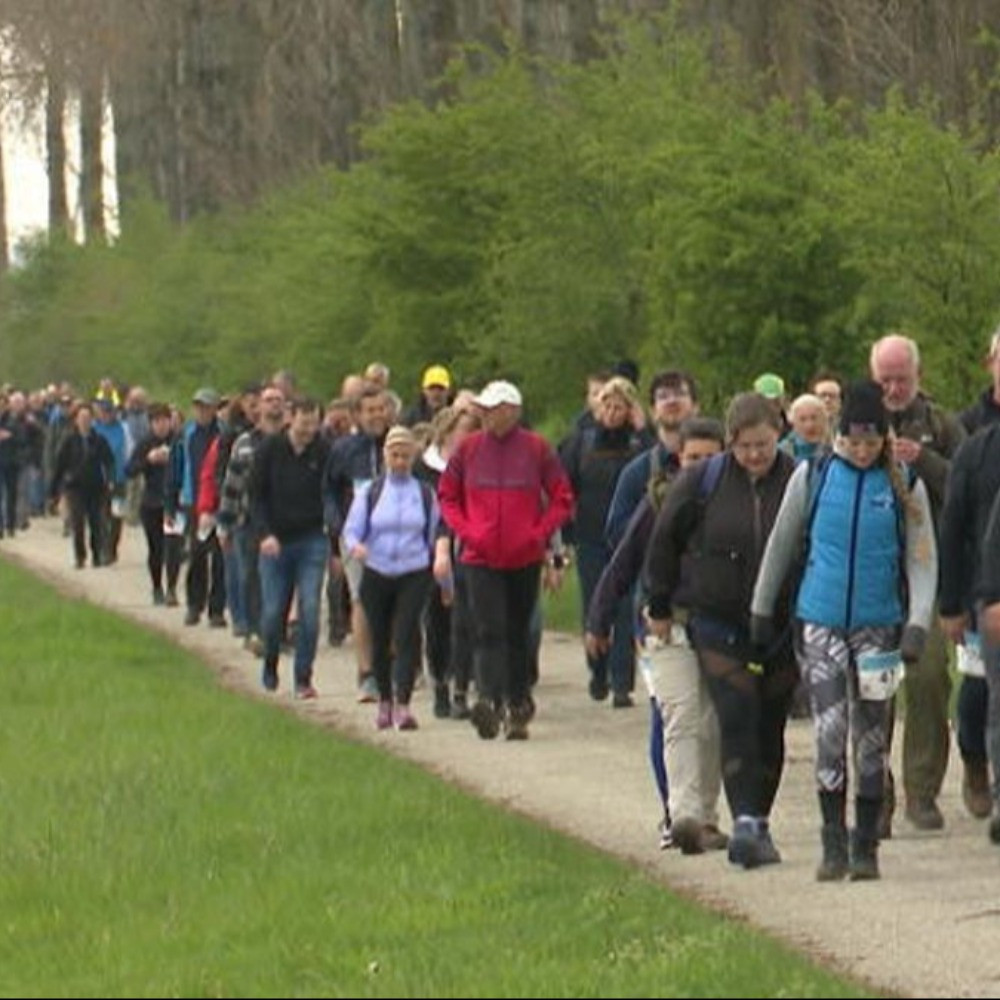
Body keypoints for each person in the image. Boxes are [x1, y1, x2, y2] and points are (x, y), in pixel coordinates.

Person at [752, 380, 937, 881]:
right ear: (839, 435)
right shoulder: (812, 476)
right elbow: (781, 544)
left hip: (879, 627)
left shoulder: (905, 483)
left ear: (884, 437)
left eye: (870, 442)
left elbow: (923, 559)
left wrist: (917, 624)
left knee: (872, 737)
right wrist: (761, 608)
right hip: (821, 620)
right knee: (831, 731)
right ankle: (832, 840)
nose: (860, 450)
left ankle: (866, 843)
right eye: (852, 441)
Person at [644, 392, 796, 869]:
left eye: (764, 445)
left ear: (779, 437)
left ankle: (761, 818)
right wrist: (659, 603)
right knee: (736, 716)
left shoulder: (799, 480)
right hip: (717, 618)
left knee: (769, 723)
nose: (754, 455)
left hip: (781, 621)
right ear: (731, 442)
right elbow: (663, 543)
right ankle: (745, 822)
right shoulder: (701, 482)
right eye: (745, 446)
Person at [586, 417, 726, 854]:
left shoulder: (738, 501)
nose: (700, 466)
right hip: (668, 623)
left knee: (714, 723)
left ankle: (706, 813)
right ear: (677, 459)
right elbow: (624, 561)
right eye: (692, 458)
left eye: (710, 458)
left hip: (722, 625)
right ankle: (682, 815)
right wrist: (598, 618)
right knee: (680, 714)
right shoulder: (658, 501)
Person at [438, 380, 574, 740]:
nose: (485, 415)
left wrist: (539, 533)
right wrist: (467, 531)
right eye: (483, 408)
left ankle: (518, 702)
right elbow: (447, 497)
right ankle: (488, 699)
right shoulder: (467, 450)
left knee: (517, 632)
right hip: (479, 555)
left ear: (512, 411)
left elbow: (562, 497)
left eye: (493, 409)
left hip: (524, 556)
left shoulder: (537, 449)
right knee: (487, 629)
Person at [870, 333, 966, 832]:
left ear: (917, 376)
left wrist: (920, 460)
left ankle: (922, 790)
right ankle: (874, 789)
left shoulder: (944, 425)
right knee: (871, 687)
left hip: (930, 576)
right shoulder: (856, 420)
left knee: (928, 679)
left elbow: (970, 486)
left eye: (900, 378)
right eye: (883, 378)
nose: (891, 387)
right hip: (872, 578)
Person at [343, 426, 450, 730]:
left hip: (413, 571)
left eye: (405, 455)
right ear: (385, 455)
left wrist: (444, 583)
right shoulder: (371, 492)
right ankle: (384, 701)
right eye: (394, 455)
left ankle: (403, 705)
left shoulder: (425, 494)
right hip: (376, 569)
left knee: (405, 634)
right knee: (379, 638)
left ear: (413, 457)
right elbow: (352, 529)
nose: (400, 461)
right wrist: (357, 547)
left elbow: (435, 536)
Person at [560, 375, 647, 706]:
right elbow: (565, 487)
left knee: (626, 609)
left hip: (628, 539)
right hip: (591, 537)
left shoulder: (639, 445)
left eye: (619, 407)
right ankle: (597, 669)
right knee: (595, 606)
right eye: (607, 405)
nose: (612, 413)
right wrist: (566, 534)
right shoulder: (581, 442)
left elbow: (658, 471)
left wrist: (642, 430)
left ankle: (622, 682)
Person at [251, 397, 332, 698]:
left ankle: (303, 677)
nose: (308, 429)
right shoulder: (270, 450)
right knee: (273, 612)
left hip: (311, 538)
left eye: (313, 423)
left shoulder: (323, 451)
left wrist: (332, 531)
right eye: (303, 422)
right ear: (290, 418)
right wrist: (264, 534)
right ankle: (270, 661)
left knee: (310, 608)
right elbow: (256, 496)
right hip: (276, 541)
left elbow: (333, 491)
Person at [604, 370, 700, 550]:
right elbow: (616, 534)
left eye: (680, 393)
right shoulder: (636, 472)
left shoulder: (719, 462)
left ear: (696, 406)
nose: (672, 400)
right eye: (663, 396)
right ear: (652, 411)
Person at [166, 387, 227, 629]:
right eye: (199, 407)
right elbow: (176, 467)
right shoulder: (186, 435)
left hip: (219, 501)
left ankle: (217, 609)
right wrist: (171, 502)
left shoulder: (225, 434)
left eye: (207, 407)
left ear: (215, 409)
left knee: (221, 559)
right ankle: (194, 605)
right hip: (193, 501)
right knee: (197, 556)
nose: (203, 411)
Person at [49, 401, 114, 568]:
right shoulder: (69, 440)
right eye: (82, 417)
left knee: (96, 523)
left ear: (92, 419)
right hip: (74, 487)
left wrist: (111, 479)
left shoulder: (99, 440)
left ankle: (97, 554)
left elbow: (109, 461)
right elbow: (59, 465)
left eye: (88, 417)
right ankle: (80, 556)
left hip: (96, 487)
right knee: (78, 522)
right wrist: (53, 491)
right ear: (76, 420)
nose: (85, 421)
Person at [126, 403, 179, 605]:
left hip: (173, 502)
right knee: (155, 548)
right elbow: (130, 469)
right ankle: (157, 587)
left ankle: (172, 589)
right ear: (151, 424)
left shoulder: (178, 441)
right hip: (151, 502)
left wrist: (171, 459)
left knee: (173, 546)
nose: (161, 426)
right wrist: (148, 460)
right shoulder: (145, 443)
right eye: (156, 422)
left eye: (164, 421)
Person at [781, 394, 829, 463]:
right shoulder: (783, 452)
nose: (809, 425)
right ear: (793, 423)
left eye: (814, 418)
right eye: (802, 420)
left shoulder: (835, 447)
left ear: (823, 419)